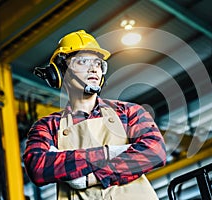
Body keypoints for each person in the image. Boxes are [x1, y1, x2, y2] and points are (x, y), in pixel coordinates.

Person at [23, 30, 166, 200]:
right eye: (82, 61)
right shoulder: (48, 126)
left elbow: (155, 151)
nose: (94, 69)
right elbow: (38, 167)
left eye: (98, 63)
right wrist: (112, 152)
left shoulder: (128, 112)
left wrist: (92, 177)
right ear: (61, 71)